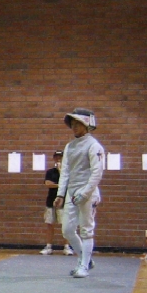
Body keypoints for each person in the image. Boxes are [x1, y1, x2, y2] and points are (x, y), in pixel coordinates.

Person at [53, 108, 104, 278]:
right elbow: (65, 171)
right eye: (72, 124)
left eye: (78, 123)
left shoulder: (94, 145)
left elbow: (97, 172)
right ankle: (86, 259)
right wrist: (60, 195)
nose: (74, 127)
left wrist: (86, 192)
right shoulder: (69, 146)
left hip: (88, 193)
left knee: (86, 230)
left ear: (87, 125)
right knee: (67, 230)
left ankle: (83, 265)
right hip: (72, 193)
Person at [40, 151, 73, 256]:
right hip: (51, 201)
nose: (58, 159)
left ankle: (67, 247)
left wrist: (61, 171)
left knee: (65, 225)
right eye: (56, 157)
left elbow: (69, 183)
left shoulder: (68, 172)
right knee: (50, 224)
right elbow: (48, 184)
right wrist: (61, 185)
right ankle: (49, 246)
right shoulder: (50, 172)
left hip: (63, 202)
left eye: (61, 157)